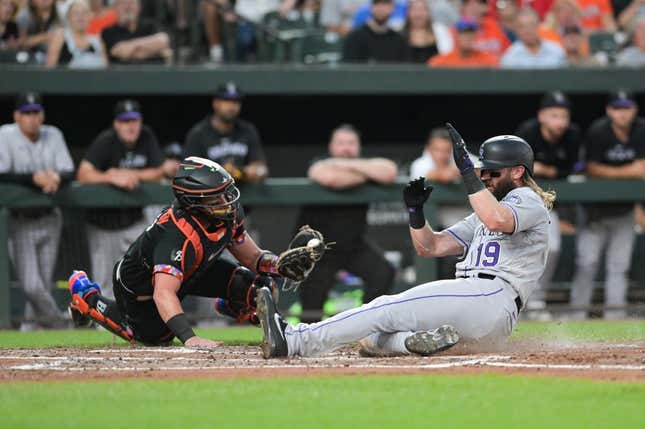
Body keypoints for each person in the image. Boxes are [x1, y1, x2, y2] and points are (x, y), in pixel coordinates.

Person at [256, 123, 554, 358]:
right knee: (371, 337)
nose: (485, 176)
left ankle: (296, 340)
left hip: (490, 295)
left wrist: (467, 174)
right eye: (482, 170)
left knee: (384, 308)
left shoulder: (526, 198)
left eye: (493, 171)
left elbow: (498, 220)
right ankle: (411, 343)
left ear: (517, 171)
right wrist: (415, 213)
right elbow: (431, 247)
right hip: (480, 313)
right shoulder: (488, 210)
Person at [68, 156, 319, 346]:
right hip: (141, 289)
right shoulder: (175, 235)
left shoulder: (228, 216)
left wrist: (279, 267)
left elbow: (252, 257)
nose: (226, 202)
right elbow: (163, 294)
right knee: (156, 338)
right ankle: (87, 297)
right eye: (216, 198)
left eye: (226, 194)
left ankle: (232, 305)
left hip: (193, 269)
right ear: (195, 202)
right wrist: (190, 338)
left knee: (259, 287)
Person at [294, 124, 398, 323]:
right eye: (341, 143)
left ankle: (364, 324)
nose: (346, 148)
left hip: (353, 245)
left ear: (358, 147)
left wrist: (349, 166)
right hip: (318, 249)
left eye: (351, 143)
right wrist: (366, 175)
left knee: (383, 272)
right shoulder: (319, 163)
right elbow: (332, 179)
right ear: (331, 147)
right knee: (312, 308)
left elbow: (389, 172)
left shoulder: (358, 164)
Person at [76, 99, 166, 299]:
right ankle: (103, 324)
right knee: (105, 282)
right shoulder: (106, 141)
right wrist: (110, 176)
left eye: (134, 120)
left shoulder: (146, 136)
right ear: (116, 124)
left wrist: (132, 174)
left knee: (137, 278)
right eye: (125, 121)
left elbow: (159, 171)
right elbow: (83, 174)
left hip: (133, 222)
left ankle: (131, 324)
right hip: (103, 225)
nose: (131, 126)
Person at [0, 92, 74, 330]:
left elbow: (69, 171)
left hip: (50, 218)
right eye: (26, 113)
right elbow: (2, 173)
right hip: (20, 221)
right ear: (16, 116)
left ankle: (29, 331)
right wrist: (35, 178)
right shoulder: (5, 135)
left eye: (36, 112)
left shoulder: (54, 134)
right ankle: (62, 324)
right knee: (32, 285)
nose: (32, 118)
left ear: (42, 114)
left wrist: (56, 178)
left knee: (42, 283)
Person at [570, 89, 645, 319]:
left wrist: (612, 173)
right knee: (587, 263)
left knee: (619, 267)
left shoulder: (641, 129)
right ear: (609, 110)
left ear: (635, 109)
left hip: (625, 211)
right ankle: (576, 315)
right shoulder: (598, 131)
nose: (623, 114)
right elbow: (592, 169)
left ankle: (615, 317)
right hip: (595, 213)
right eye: (617, 108)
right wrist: (629, 171)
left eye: (627, 108)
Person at [515, 91, 581, 317]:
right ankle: (517, 300)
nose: (560, 122)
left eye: (564, 116)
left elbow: (568, 170)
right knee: (518, 250)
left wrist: (544, 168)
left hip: (547, 202)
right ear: (542, 116)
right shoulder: (528, 132)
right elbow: (517, 168)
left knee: (551, 247)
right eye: (554, 116)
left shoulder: (572, 135)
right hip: (520, 198)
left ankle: (536, 300)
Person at [183, 82, 268, 184]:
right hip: (210, 196)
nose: (231, 106)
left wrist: (240, 172)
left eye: (235, 102)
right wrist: (220, 172)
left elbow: (261, 169)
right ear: (216, 103)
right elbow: (188, 173)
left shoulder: (247, 130)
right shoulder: (199, 133)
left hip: (242, 194)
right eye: (226, 101)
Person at [101, 0, 170, 65]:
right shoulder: (108, 32)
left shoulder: (151, 26)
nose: (128, 7)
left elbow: (163, 41)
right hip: (123, 75)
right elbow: (121, 53)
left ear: (139, 8)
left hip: (155, 73)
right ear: (115, 8)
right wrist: (154, 52)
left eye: (131, 3)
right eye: (123, 4)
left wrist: (129, 48)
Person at [342, 0, 410, 63]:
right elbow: (348, 70)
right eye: (377, 3)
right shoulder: (354, 38)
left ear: (392, 8)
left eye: (385, 4)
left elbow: (404, 71)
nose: (380, 8)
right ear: (371, 7)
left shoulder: (399, 41)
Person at [45, 0, 107, 68]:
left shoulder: (97, 40)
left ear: (90, 16)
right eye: (76, 13)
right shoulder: (61, 37)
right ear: (69, 17)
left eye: (84, 13)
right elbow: (49, 68)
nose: (80, 17)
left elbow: (105, 68)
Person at [500, 8, 567, 68]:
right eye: (522, 27)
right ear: (516, 30)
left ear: (538, 26)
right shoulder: (510, 56)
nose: (527, 30)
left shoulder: (556, 51)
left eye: (531, 25)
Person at [429, 18, 498, 67]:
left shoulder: (487, 60)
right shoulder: (443, 61)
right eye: (463, 33)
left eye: (471, 33)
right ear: (456, 36)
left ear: (476, 36)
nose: (468, 37)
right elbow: (432, 65)